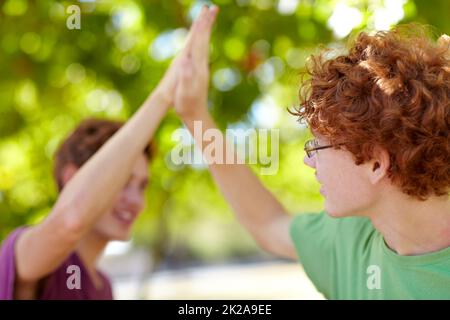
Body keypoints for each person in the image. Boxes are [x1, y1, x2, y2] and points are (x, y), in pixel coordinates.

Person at [171, 17, 450, 299]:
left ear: (376, 164)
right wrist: (194, 115)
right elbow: (267, 224)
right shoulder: (350, 239)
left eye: (317, 147)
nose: (309, 161)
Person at [0, 6, 219, 300]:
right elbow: (70, 221)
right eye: (121, 182)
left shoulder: (104, 288)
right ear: (71, 179)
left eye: (141, 186)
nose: (135, 201)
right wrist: (164, 96)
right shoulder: (27, 253)